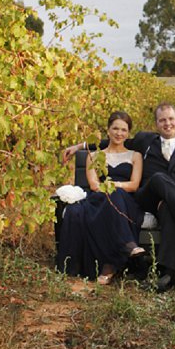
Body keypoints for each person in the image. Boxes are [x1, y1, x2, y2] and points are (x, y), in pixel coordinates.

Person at [63, 103, 175, 291]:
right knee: (159, 178)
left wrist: (171, 197)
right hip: (146, 198)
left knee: (169, 208)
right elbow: (115, 140)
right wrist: (80, 146)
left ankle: (166, 273)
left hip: (174, 202)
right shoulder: (145, 141)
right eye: (162, 120)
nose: (167, 123)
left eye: (170, 119)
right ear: (157, 124)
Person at [56, 111, 145, 285]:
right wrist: (112, 187)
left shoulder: (135, 156)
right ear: (108, 130)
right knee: (100, 202)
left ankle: (110, 265)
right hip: (99, 198)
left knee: (117, 195)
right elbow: (94, 184)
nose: (119, 133)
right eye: (115, 129)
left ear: (128, 133)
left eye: (123, 130)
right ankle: (126, 248)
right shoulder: (94, 155)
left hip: (126, 200)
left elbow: (134, 185)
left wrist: (114, 186)